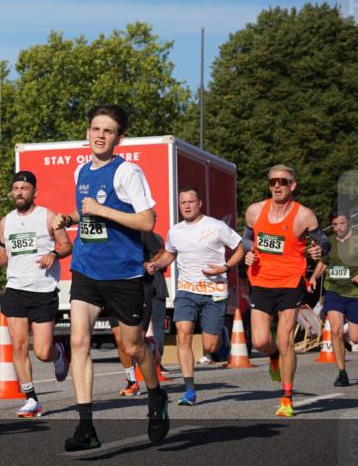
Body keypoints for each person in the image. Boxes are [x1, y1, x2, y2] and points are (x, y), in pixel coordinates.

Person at [51, 104, 169, 450]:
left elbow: (147, 221)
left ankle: (156, 395)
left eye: (107, 131)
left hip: (123, 273)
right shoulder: (80, 172)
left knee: (132, 347)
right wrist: (69, 219)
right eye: (95, 129)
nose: (100, 135)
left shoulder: (127, 172)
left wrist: (101, 209)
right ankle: (86, 427)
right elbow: (86, 211)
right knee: (78, 343)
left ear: (119, 138)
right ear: (87, 133)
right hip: (86, 268)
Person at [0, 170, 72, 418]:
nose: (19, 192)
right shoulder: (5, 222)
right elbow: (5, 255)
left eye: (24, 188)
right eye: (16, 188)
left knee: (42, 352)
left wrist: (53, 253)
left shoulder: (48, 217)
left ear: (34, 192)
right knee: (19, 347)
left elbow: (66, 245)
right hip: (15, 289)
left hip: (43, 290)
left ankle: (59, 352)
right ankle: (31, 399)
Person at [244, 165, 327, 417]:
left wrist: (318, 250)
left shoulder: (304, 215)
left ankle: (287, 398)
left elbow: (323, 241)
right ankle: (272, 358)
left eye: (282, 181)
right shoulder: (255, 210)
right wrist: (249, 251)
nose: (277, 186)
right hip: (260, 280)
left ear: (292, 185)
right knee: (259, 341)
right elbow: (247, 237)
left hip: (291, 281)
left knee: (285, 339)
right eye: (272, 182)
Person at [151, 186, 244, 406]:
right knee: (184, 334)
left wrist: (226, 268)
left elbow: (240, 248)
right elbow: (170, 254)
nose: (186, 206)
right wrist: (156, 265)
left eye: (190, 202)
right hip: (186, 290)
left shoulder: (216, 226)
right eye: (183, 202)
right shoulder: (175, 231)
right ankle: (190, 389)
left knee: (210, 346)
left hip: (214, 291)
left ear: (199, 203)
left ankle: (219, 333)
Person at [308, 212, 358, 386]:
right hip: (334, 291)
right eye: (335, 224)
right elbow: (324, 262)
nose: (338, 227)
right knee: (335, 330)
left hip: (356, 293)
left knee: (356, 339)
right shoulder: (330, 242)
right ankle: (342, 373)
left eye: (342, 223)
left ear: (349, 223)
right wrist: (314, 278)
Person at [113, 231, 170, 396]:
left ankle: (151, 348)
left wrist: (148, 264)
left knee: (136, 340)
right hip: (112, 288)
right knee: (119, 339)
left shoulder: (140, 231)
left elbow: (161, 252)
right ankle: (132, 381)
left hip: (140, 287)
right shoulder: (106, 230)